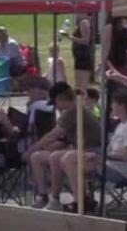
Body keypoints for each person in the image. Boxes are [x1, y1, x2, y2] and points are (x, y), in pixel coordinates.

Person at [56, 88, 127, 211]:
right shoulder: (122, 124)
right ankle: (83, 200)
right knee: (67, 161)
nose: (111, 106)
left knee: (71, 158)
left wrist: (102, 155)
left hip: (121, 171)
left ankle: (81, 202)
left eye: (113, 103)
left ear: (122, 105)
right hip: (109, 165)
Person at [25, 82, 102, 210]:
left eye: (56, 104)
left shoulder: (73, 111)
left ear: (61, 99)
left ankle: (55, 198)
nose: (56, 108)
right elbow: (63, 139)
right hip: (76, 149)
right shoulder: (71, 111)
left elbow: (52, 135)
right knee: (37, 157)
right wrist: (43, 149)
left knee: (53, 156)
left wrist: (30, 150)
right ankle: (43, 195)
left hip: (92, 153)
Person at [67, 14, 96, 88]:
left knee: (81, 84)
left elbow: (86, 41)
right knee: (80, 84)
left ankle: (81, 98)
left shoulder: (84, 22)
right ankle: (80, 97)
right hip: (80, 57)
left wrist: (70, 37)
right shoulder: (85, 22)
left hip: (83, 57)